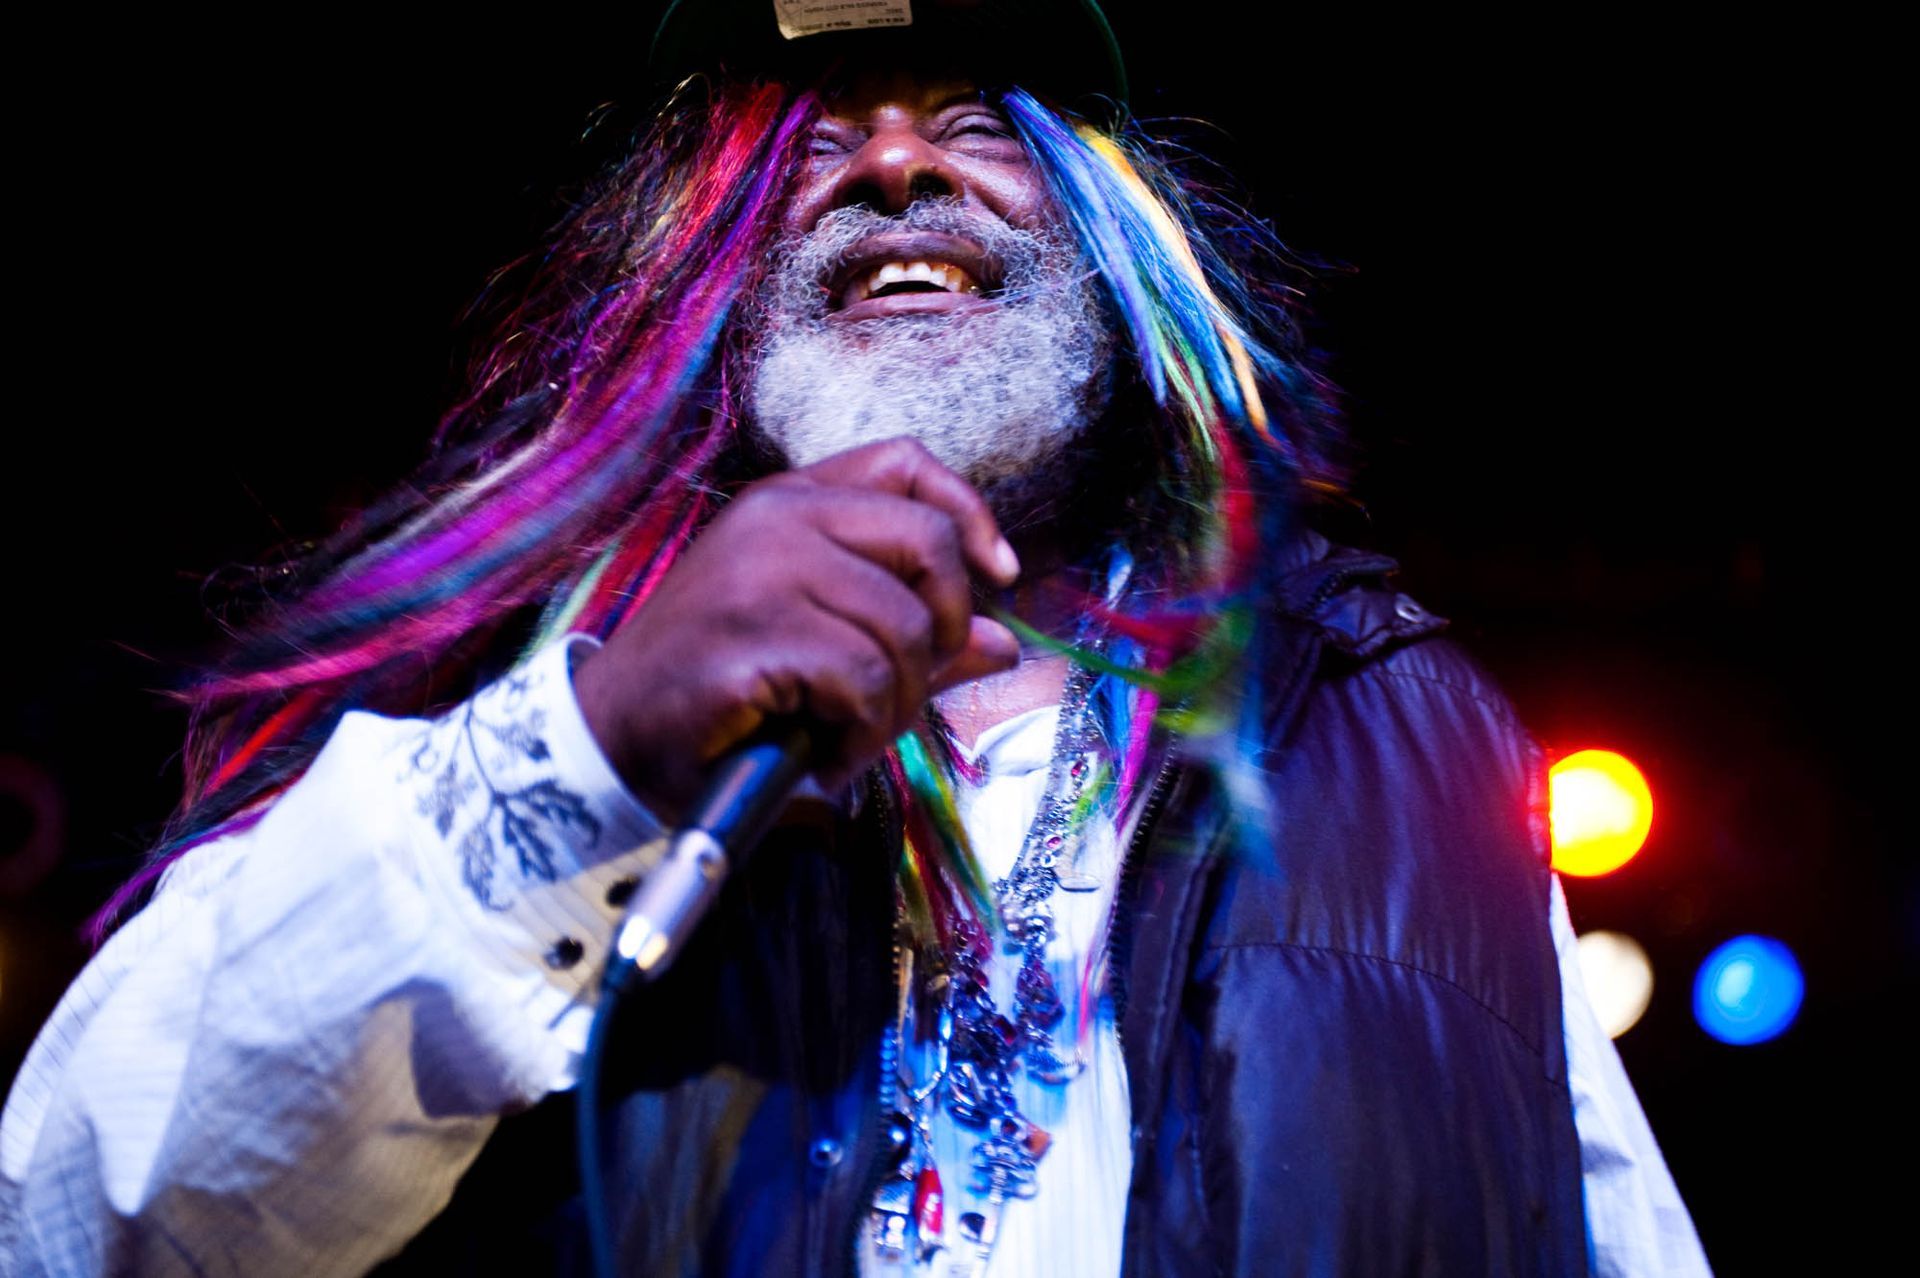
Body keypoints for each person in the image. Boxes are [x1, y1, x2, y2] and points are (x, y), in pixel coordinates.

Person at [0, 3, 1711, 1274]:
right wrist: (589, 750)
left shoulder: (1394, 721)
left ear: (1117, 239)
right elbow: (82, 1212)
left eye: (975, 117)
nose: (895, 160)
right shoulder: (525, 684)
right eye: (817, 141)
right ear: (713, 278)